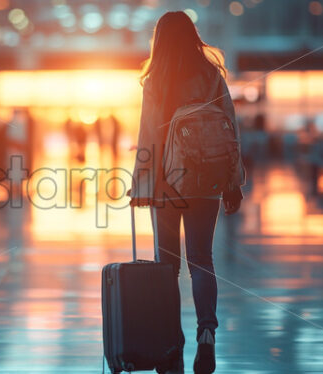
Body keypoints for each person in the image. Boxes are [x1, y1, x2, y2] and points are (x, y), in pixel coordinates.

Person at [128, 11, 244, 374]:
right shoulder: (211, 75)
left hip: (167, 181)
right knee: (202, 260)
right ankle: (206, 334)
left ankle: (169, 341)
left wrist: (143, 182)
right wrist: (232, 182)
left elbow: (149, 134)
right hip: (207, 180)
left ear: (159, 40)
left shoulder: (157, 78)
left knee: (167, 268)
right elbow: (230, 128)